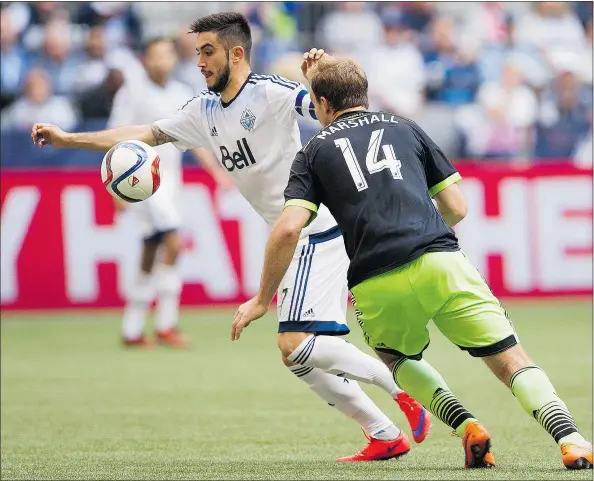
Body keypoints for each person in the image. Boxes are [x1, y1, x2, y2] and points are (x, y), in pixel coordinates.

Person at [30, 12, 430, 461]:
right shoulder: (201, 111)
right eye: (197, 52)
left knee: (295, 341)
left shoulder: (272, 94)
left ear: (235, 53)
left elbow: (332, 110)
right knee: (299, 355)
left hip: (315, 228)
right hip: (294, 234)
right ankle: (383, 433)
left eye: (207, 52)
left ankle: (405, 388)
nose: (198, 61)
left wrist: (321, 74)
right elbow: (140, 136)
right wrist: (68, 139)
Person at [231, 56, 593, 470]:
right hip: (438, 259)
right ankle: (572, 441)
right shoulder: (405, 127)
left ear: (323, 104)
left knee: (397, 361)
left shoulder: (313, 152)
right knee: (511, 359)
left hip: (375, 279)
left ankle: (468, 426)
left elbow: (287, 229)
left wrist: (262, 299)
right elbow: (456, 206)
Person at [107, 37, 232, 348]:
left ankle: (132, 329)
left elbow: (195, 139)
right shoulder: (132, 92)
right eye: (155, 55)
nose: (162, 60)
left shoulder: (180, 93)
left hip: (170, 181)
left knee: (152, 247)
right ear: (145, 60)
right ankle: (166, 323)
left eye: (167, 54)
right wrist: (115, 190)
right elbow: (113, 136)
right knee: (174, 241)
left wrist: (215, 172)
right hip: (142, 183)